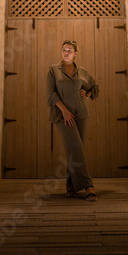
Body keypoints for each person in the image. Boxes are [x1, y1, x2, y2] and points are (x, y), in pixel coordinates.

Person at [46, 39, 99, 201]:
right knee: (76, 148)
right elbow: (51, 95)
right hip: (63, 116)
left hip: (81, 114)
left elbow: (94, 87)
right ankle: (88, 186)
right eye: (64, 50)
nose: (66, 52)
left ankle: (70, 186)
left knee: (75, 150)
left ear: (75, 53)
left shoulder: (82, 71)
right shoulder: (53, 70)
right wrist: (65, 111)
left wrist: (87, 94)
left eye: (69, 50)